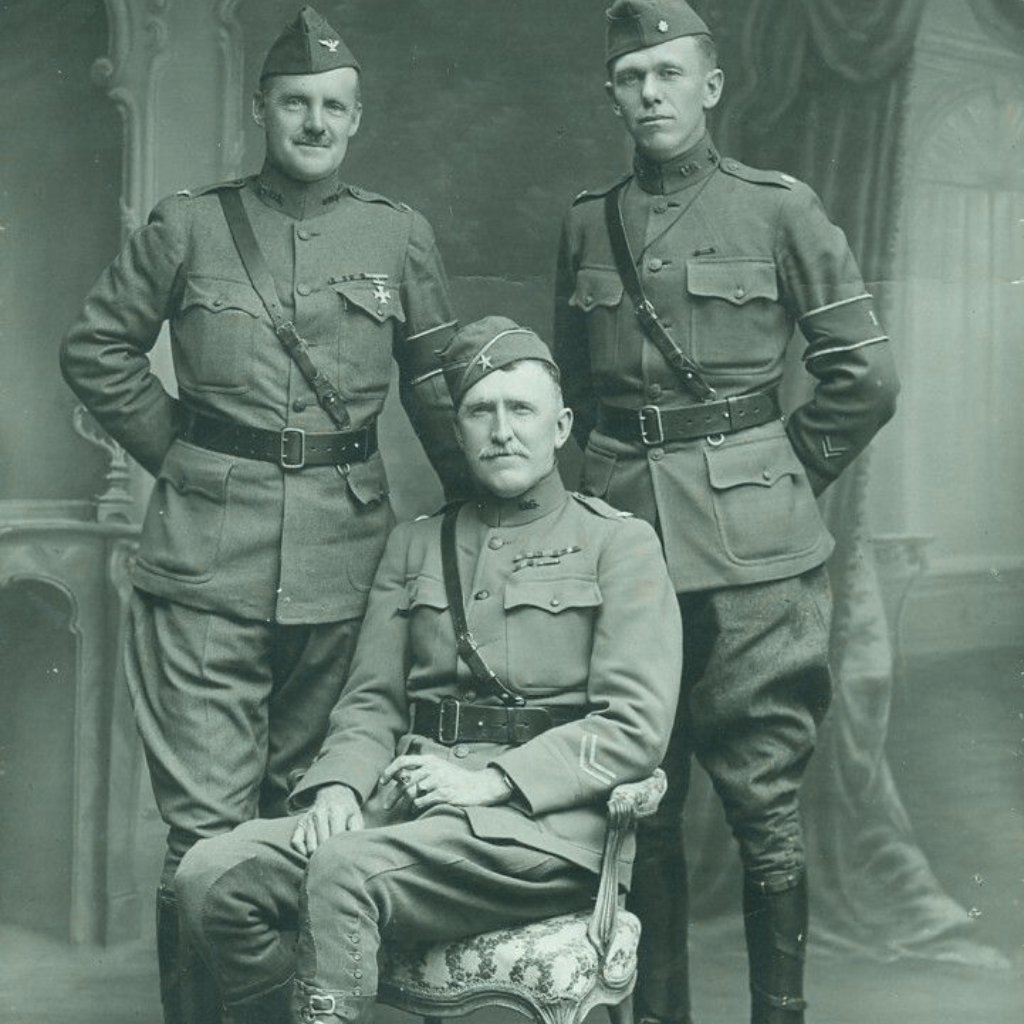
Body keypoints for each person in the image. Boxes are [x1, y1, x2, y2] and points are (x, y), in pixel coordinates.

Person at [59, 8, 465, 1022]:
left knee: (313, 820)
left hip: (346, 565)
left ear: (357, 117)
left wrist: (479, 512)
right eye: (296, 104)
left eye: (333, 106)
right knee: (203, 833)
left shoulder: (397, 234)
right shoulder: (188, 223)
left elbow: (439, 390)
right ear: (262, 111)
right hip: (203, 564)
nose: (315, 121)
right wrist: (185, 460)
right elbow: (97, 349)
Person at [172, 316, 683, 1024]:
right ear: (461, 430)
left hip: (542, 832)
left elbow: (634, 726)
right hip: (408, 815)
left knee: (345, 871)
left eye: (521, 410)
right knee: (210, 875)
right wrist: (337, 789)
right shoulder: (416, 545)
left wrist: (491, 781)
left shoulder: (619, 545)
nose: (501, 430)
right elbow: (371, 702)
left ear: (561, 426)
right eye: (480, 411)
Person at [552, 3, 901, 1023]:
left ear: (711, 86)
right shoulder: (587, 219)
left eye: (669, 73)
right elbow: (574, 388)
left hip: (759, 567)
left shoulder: (780, 209)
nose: (650, 93)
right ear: (613, 93)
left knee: (765, 811)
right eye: (631, 77)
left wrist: (774, 478)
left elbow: (864, 381)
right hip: (625, 553)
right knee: (636, 802)